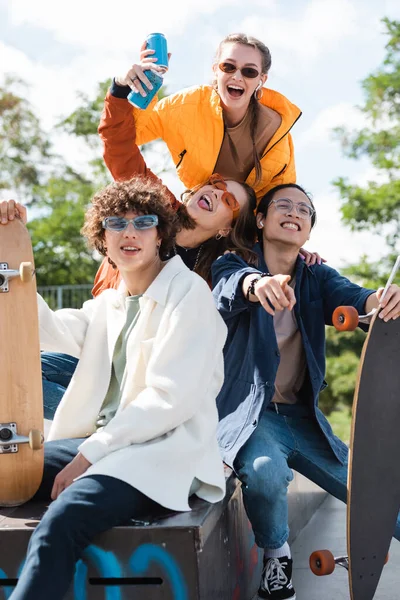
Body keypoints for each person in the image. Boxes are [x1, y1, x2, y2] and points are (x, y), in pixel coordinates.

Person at [7, 177, 227, 600]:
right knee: (7, 470)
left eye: (143, 222)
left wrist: (88, 455)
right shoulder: (109, 303)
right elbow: (40, 327)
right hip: (101, 445)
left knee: (64, 520)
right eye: (116, 223)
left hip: (158, 451)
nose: (130, 233)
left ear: (161, 233)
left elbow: (168, 400)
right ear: (102, 237)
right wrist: (9, 246)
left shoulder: (190, 294)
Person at [211, 183, 400, 600]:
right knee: (264, 472)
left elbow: (355, 298)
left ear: (309, 230)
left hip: (304, 420)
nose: (294, 212)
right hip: (251, 418)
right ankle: (277, 561)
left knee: (378, 491)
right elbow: (229, 287)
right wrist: (257, 286)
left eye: (304, 210)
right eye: (283, 205)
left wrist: (381, 300)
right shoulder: (233, 263)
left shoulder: (317, 276)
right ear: (260, 219)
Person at [102, 32, 301, 203]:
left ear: (261, 79)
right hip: (197, 220)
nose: (237, 77)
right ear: (215, 70)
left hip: (247, 236)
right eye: (228, 67)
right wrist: (132, 88)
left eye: (249, 71)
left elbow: (283, 200)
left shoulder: (278, 131)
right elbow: (126, 139)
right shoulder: (184, 106)